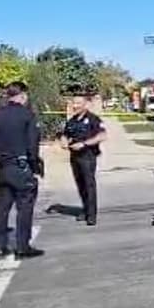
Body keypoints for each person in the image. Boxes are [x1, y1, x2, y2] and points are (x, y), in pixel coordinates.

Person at [0, 81, 44, 259]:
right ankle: (22, 247)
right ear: (22, 96)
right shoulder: (28, 116)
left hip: (2, 167)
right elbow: (32, 146)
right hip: (21, 167)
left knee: (2, 209)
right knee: (24, 208)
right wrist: (34, 165)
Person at [61, 95, 108, 226]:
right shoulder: (72, 121)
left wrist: (84, 144)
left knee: (89, 185)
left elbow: (102, 135)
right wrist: (64, 142)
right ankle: (86, 209)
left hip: (88, 156)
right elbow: (65, 134)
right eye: (74, 103)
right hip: (74, 156)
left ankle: (92, 215)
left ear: (85, 104)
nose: (75, 106)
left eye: (78, 103)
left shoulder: (93, 119)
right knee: (80, 184)